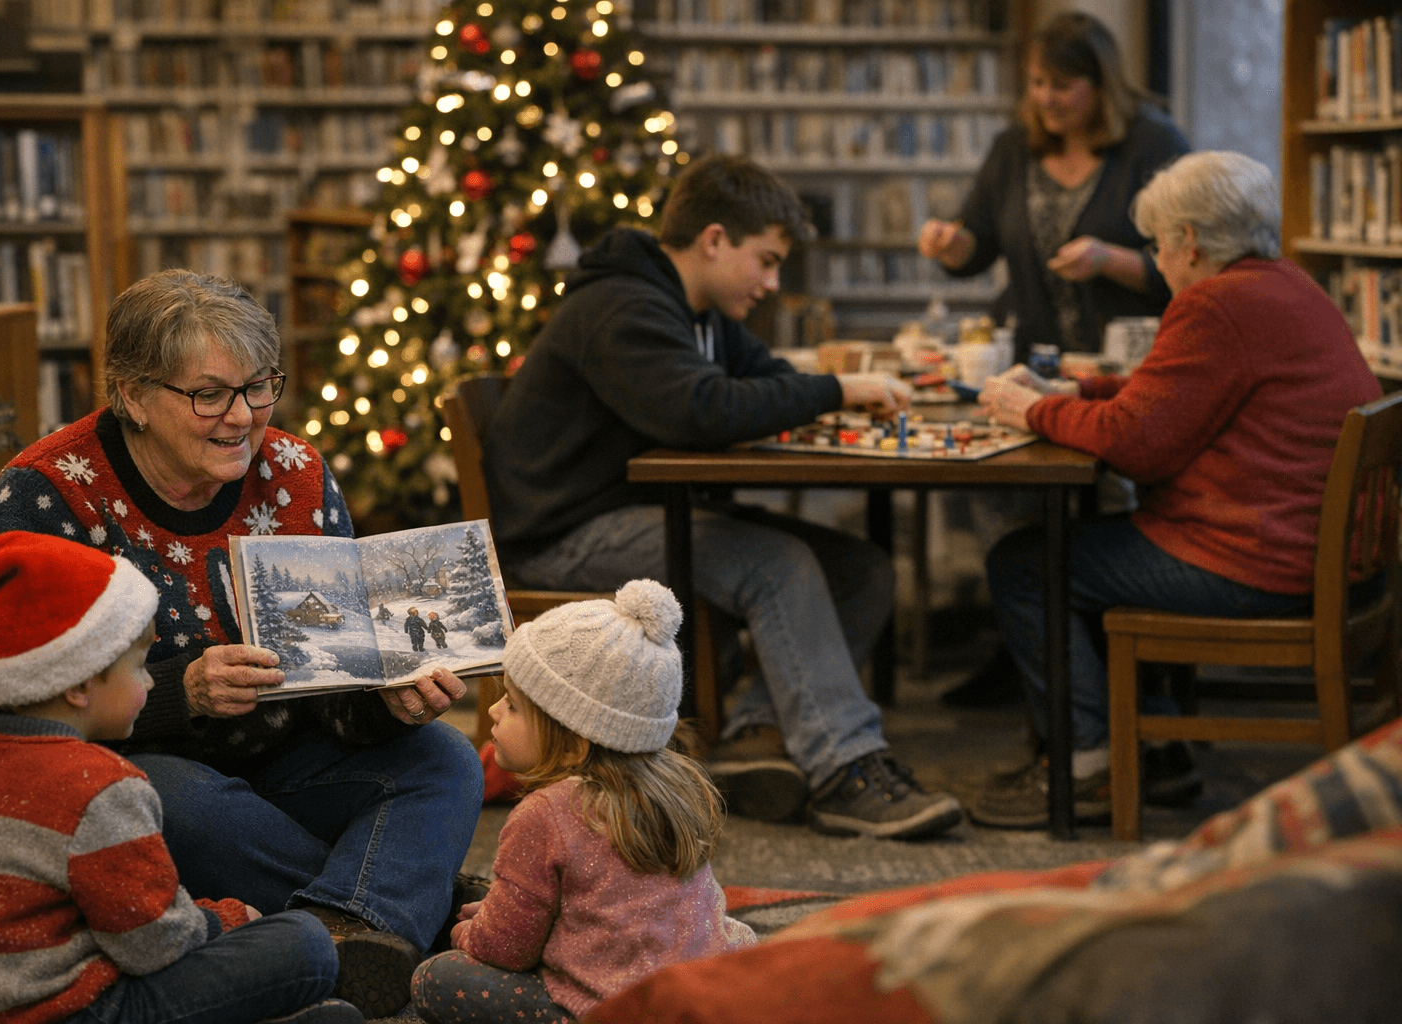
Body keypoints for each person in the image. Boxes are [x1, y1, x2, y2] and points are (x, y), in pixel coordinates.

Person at [0, 270, 484, 1018]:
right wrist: (181, 694)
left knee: (445, 759)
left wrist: (387, 701)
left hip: (291, 760)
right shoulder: (50, 492)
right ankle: (408, 912)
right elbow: (4, 709)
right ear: (134, 396)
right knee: (170, 801)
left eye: (258, 387)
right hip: (136, 775)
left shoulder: (297, 473)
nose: (241, 417)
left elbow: (335, 689)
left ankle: (346, 934)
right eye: (209, 394)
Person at [486, 153, 962, 839]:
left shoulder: (695, 309)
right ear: (714, 241)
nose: (771, 282)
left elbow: (759, 376)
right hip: (565, 534)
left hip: (638, 514)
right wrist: (834, 390)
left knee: (862, 571)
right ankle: (846, 770)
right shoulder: (625, 306)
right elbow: (700, 410)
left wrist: (825, 396)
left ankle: (756, 738)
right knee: (779, 563)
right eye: (765, 261)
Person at [971, 150, 1384, 828]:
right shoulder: (1284, 285)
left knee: (1027, 564)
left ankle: (1088, 762)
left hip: (1261, 561)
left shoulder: (1216, 305)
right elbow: (1174, 395)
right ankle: (1154, 752)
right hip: (1321, 556)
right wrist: (1079, 391)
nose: (1156, 260)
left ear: (1188, 243)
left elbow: (1137, 444)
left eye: (1157, 244)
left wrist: (1031, 411)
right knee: (1091, 553)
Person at [0, 532, 364, 1024]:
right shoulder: (99, 784)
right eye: (138, 667)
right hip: (50, 1013)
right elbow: (156, 945)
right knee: (303, 942)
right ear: (77, 685)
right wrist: (225, 918)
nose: (152, 681)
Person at [411, 581, 755, 1023]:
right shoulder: (678, 787)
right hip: (691, 991)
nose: (494, 711)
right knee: (733, 932)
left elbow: (507, 951)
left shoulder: (545, 814)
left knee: (438, 978)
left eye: (513, 706)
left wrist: (470, 934)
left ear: (574, 745)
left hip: (610, 1007)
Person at [919, 11, 1190, 365]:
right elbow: (978, 242)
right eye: (1036, 82)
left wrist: (1107, 260)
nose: (1045, 98)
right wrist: (952, 244)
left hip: (1129, 365)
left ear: (1100, 85)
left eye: (1061, 85)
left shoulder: (1154, 143)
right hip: (1031, 363)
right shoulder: (1013, 147)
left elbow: (1192, 262)